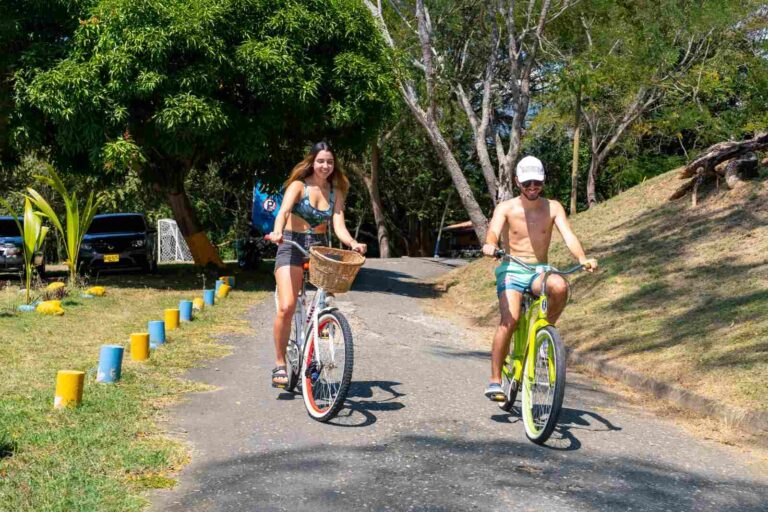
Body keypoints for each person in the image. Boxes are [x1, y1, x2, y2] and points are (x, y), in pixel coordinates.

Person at [481, 156, 597, 401]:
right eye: (527, 183)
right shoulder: (506, 208)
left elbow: (568, 235)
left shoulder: (553, 207)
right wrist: (490, 245)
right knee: (509, 321)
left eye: (537, 183)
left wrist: (582, 258)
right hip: (512, 269)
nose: (532, 187)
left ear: (543, 181)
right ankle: (495, 381)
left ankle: (546, 333)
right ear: (517, 183)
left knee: (559, 285)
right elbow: (492, 231)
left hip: (539, 270)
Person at [267, 141, 367, 387]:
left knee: (325, 302)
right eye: (321, 161)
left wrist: (353, 243)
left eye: (330, 162)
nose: (325, 166)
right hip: (290, 243)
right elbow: (283, 212)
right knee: (287, 306)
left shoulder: (336, 191)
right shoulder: (298, 186)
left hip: (318, 248)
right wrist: (277, 232)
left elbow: (339, 225)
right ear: (312, 162)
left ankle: (317, 344)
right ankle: (280, 363)